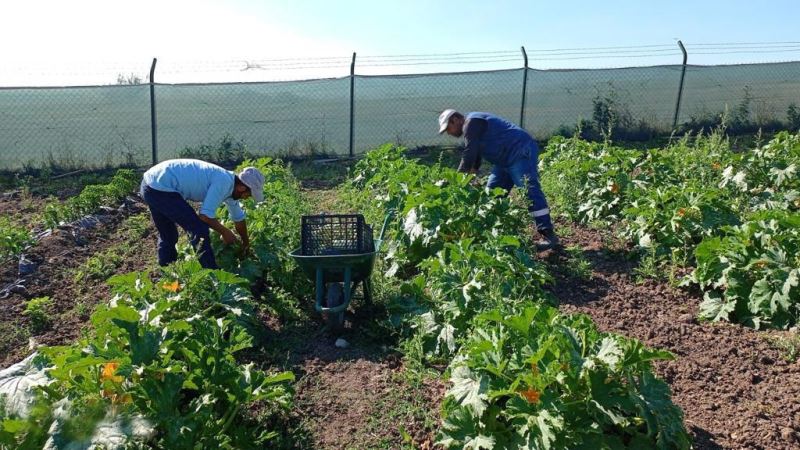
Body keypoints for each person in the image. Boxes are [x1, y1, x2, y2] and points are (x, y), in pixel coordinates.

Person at [438, 109, 559, 249]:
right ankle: (491, 234)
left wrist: (456, 180)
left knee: (529, 191)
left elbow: (469, 153)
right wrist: (469, 179)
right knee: (491, 196)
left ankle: (548, 235)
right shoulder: (471, 130)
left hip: (519, 151)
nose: (449, 133)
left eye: (448, 128)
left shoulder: (472, 122)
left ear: (455, 119)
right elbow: (475, 157)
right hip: (503, 161)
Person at [140, 159, 265, 269]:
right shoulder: (224, 182)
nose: (247, 198)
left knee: (169, 235)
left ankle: (167, 275)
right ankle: (212, 276)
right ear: (242, 188)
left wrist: (246, 244)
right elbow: (205, 216)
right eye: (249, 194)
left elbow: (239, 219)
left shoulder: (232, 189)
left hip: (152, 182)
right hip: (160, 187)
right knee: (199, 229)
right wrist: (225, 232)